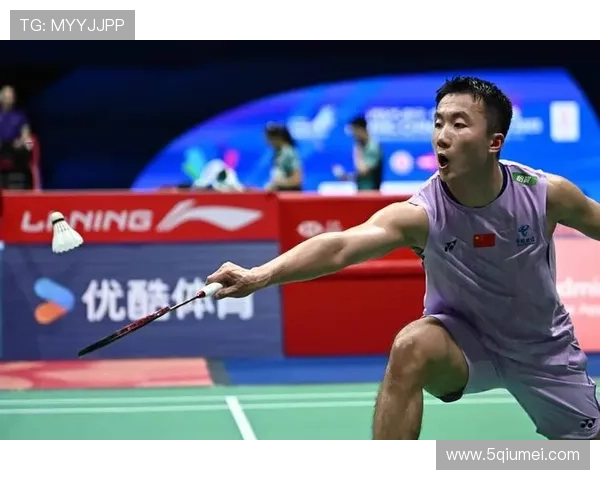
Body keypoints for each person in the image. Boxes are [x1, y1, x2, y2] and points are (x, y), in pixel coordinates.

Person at [206, 76, 600, 440]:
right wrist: (259, 275)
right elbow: (340, 246)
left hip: (541, 349)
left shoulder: (545, 195)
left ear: (493, 142)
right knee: (412, 346)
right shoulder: (422, 213)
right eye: (438, 123)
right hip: (465, 344)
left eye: (459, 124)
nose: (442, 136)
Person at [333, 115, 383, 191]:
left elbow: (363, 171)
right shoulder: (362, 146)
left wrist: (357, 151)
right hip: (361, 191)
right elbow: (360, 176)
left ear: (360, 129)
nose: (353, 135)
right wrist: (345, 177)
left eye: (354, 131)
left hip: (371, 193)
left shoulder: (372, 147)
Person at [0, 85, 35, 189]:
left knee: (29, 143)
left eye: (10, 96)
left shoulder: (20, 116)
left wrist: (23, 140)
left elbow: (26, 134)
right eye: (6, 96)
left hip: (15, 147)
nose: (8, 98)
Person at [264, 122, 303, 191]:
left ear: (278, 137)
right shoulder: (278, 152)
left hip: (290, 195)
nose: (267, 142)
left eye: (269, 138)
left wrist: (278, 183)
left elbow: (297, 180)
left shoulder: (289, 152)